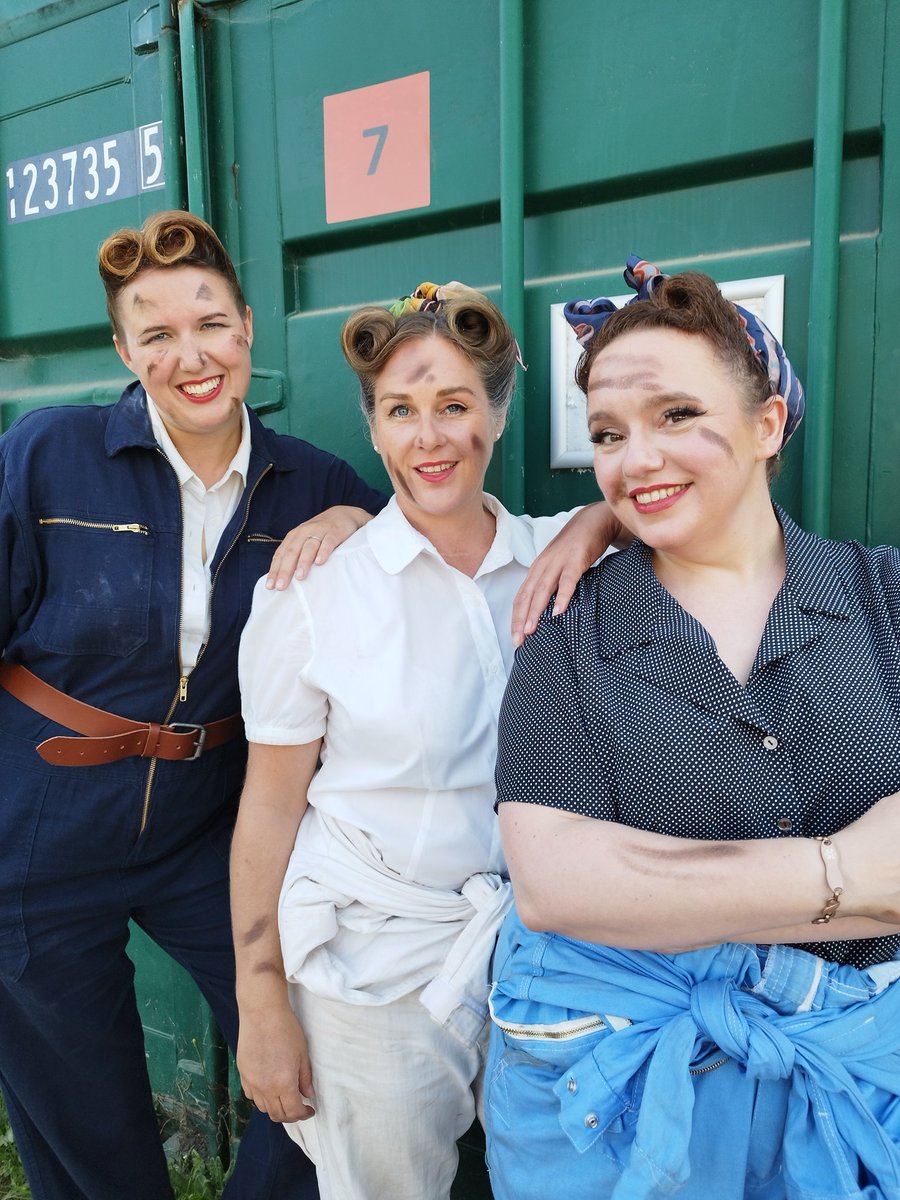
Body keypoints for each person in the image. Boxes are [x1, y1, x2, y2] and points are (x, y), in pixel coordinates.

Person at [486, 256, 900, 1199]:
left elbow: (615, 886)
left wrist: (668, 889)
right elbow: (556, 885)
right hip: (630, 1114)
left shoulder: (884, 598)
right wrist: (852, 876)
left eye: (675, 415)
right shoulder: (568, 635)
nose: (635, 460)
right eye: (607, 433)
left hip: (866, 1089)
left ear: (767, 424)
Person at [0, 209, 388, 1200]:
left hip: (206, 826)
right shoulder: (47, 453)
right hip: (37, 827)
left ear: (248, 327)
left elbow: (422, 552)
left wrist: (356, 517)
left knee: (317, 1051)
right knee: (84, 1122)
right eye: (158, 333)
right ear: (124, 351)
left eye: (211, 323)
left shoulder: (313, 481)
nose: (192, 355)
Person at [231, 281, 617, 1200]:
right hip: (374, 965)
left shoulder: (564, 558)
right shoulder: (314, 595)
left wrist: (600, 519)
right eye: (401, 410)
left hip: (542, 950)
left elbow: (683, 496)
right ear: (373, 429)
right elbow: (270, 808)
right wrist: (260, 997)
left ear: (499, 413)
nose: (429, 437)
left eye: (454, 404)